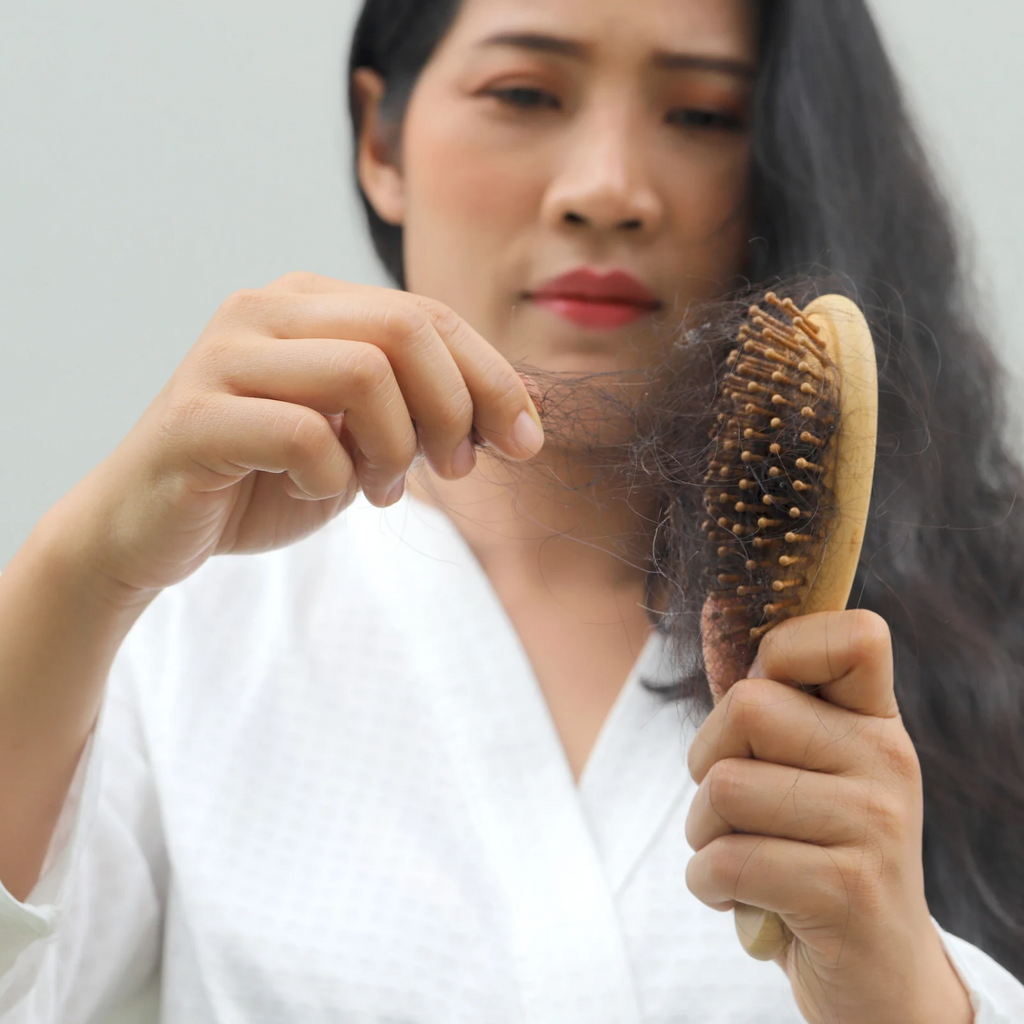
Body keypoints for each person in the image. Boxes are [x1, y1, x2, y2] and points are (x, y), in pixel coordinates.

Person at [0, 0, 1022, 1021]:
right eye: (524, 94)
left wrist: (905, 989)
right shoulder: (189, 628)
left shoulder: (972, 646)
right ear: (380, 139)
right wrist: (81, 566)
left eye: (703, 115)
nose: (606, 189)